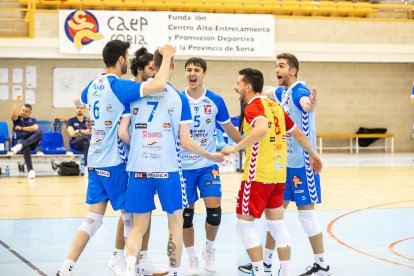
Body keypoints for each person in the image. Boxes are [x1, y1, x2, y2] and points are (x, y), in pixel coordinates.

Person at [56, 40, 176, 276]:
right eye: (127, 56)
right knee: (134, 215)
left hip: (95, 160)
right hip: (115, 161)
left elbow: (77, 100)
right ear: (121, 59)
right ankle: (127, 263)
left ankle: (65, 268)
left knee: (93, 219)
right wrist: (169, 56)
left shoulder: (94, 84)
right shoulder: (118, 86)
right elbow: (160, 84)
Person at [119, 50, 225, 276]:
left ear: (151, 67)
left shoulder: (135, 92)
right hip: (168, 170)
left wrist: (137, 148)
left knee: (138, 226)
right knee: (175, 224)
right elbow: (186, 142)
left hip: (139, 168)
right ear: (172, 67)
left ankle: (130, 267)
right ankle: (175, 270)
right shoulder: (179, 98)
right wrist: (210, 155)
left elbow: (122, 134)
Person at [221, 68, 322, 276]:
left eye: (238, 83)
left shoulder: (252, 108)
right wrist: (314, 153)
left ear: (248, 87)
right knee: (277, 225)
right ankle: (283, 272)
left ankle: (260, 272)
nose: (235, 86)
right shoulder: (275, 107)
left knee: (243, 225)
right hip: (278, 176)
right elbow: (299, 135)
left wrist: (234, 147)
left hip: (257, 176)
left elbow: (261, 128)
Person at [180, 57, 242, 275]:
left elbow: (230, 131)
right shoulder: (178, 100)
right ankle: (191, 258)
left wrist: (247, 143)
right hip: (183, 166)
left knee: (214, 211)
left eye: (196, 69)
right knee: (186, 215)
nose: (192, 73)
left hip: (208, 164)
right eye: (188, 70)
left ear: (204, 73)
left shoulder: (215, 100)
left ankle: (209, 250)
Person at [108, 47, 167, 276]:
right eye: (152, 67)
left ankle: (143, 259)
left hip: (146, 160)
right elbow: (123, 133)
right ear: (140, 69)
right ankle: (117, 257)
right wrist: (139, 149)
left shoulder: (148, 91)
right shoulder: (130, 91)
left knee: (145, 211)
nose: (155, 71)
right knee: (128, 212)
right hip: (127, 159)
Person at [10, 95, 42, 179]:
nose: (24, 112)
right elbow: (14, 113)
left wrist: (22, 128)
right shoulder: (18, 119)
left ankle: (21, 145)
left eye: (26, 111)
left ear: (30, 113)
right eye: (23, 110)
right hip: (19, 140)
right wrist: (17, 100)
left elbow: (35, 128)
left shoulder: (33, 120)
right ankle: (31, 170)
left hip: (31, 142)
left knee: (39, 132)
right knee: (26, 146)